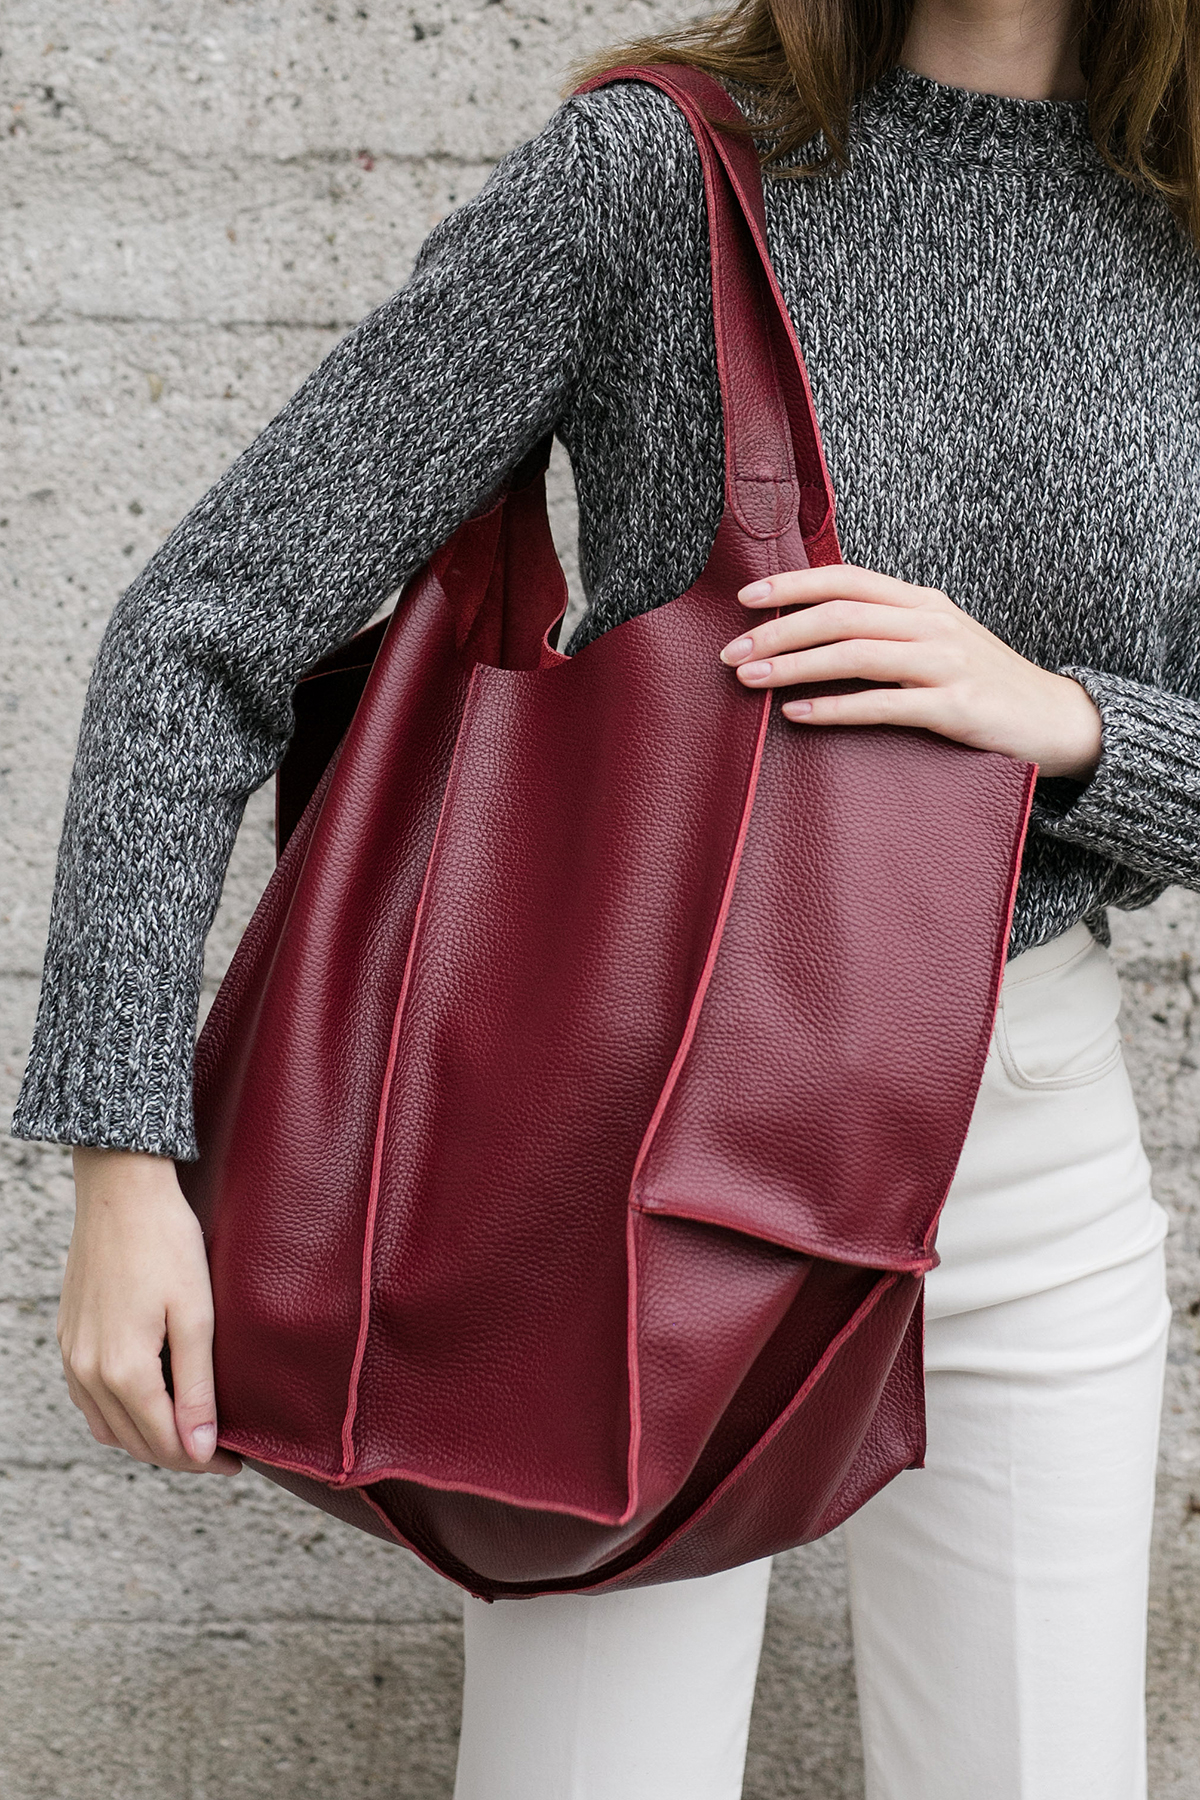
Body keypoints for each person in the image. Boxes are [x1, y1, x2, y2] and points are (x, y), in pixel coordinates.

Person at [13, 0, 1200, 1789]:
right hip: (636, 1159)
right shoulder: (661, 169)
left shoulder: (1178, 214)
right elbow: (202, 626)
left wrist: (1076, 720)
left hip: (1030, 1168)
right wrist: (121, 1156)